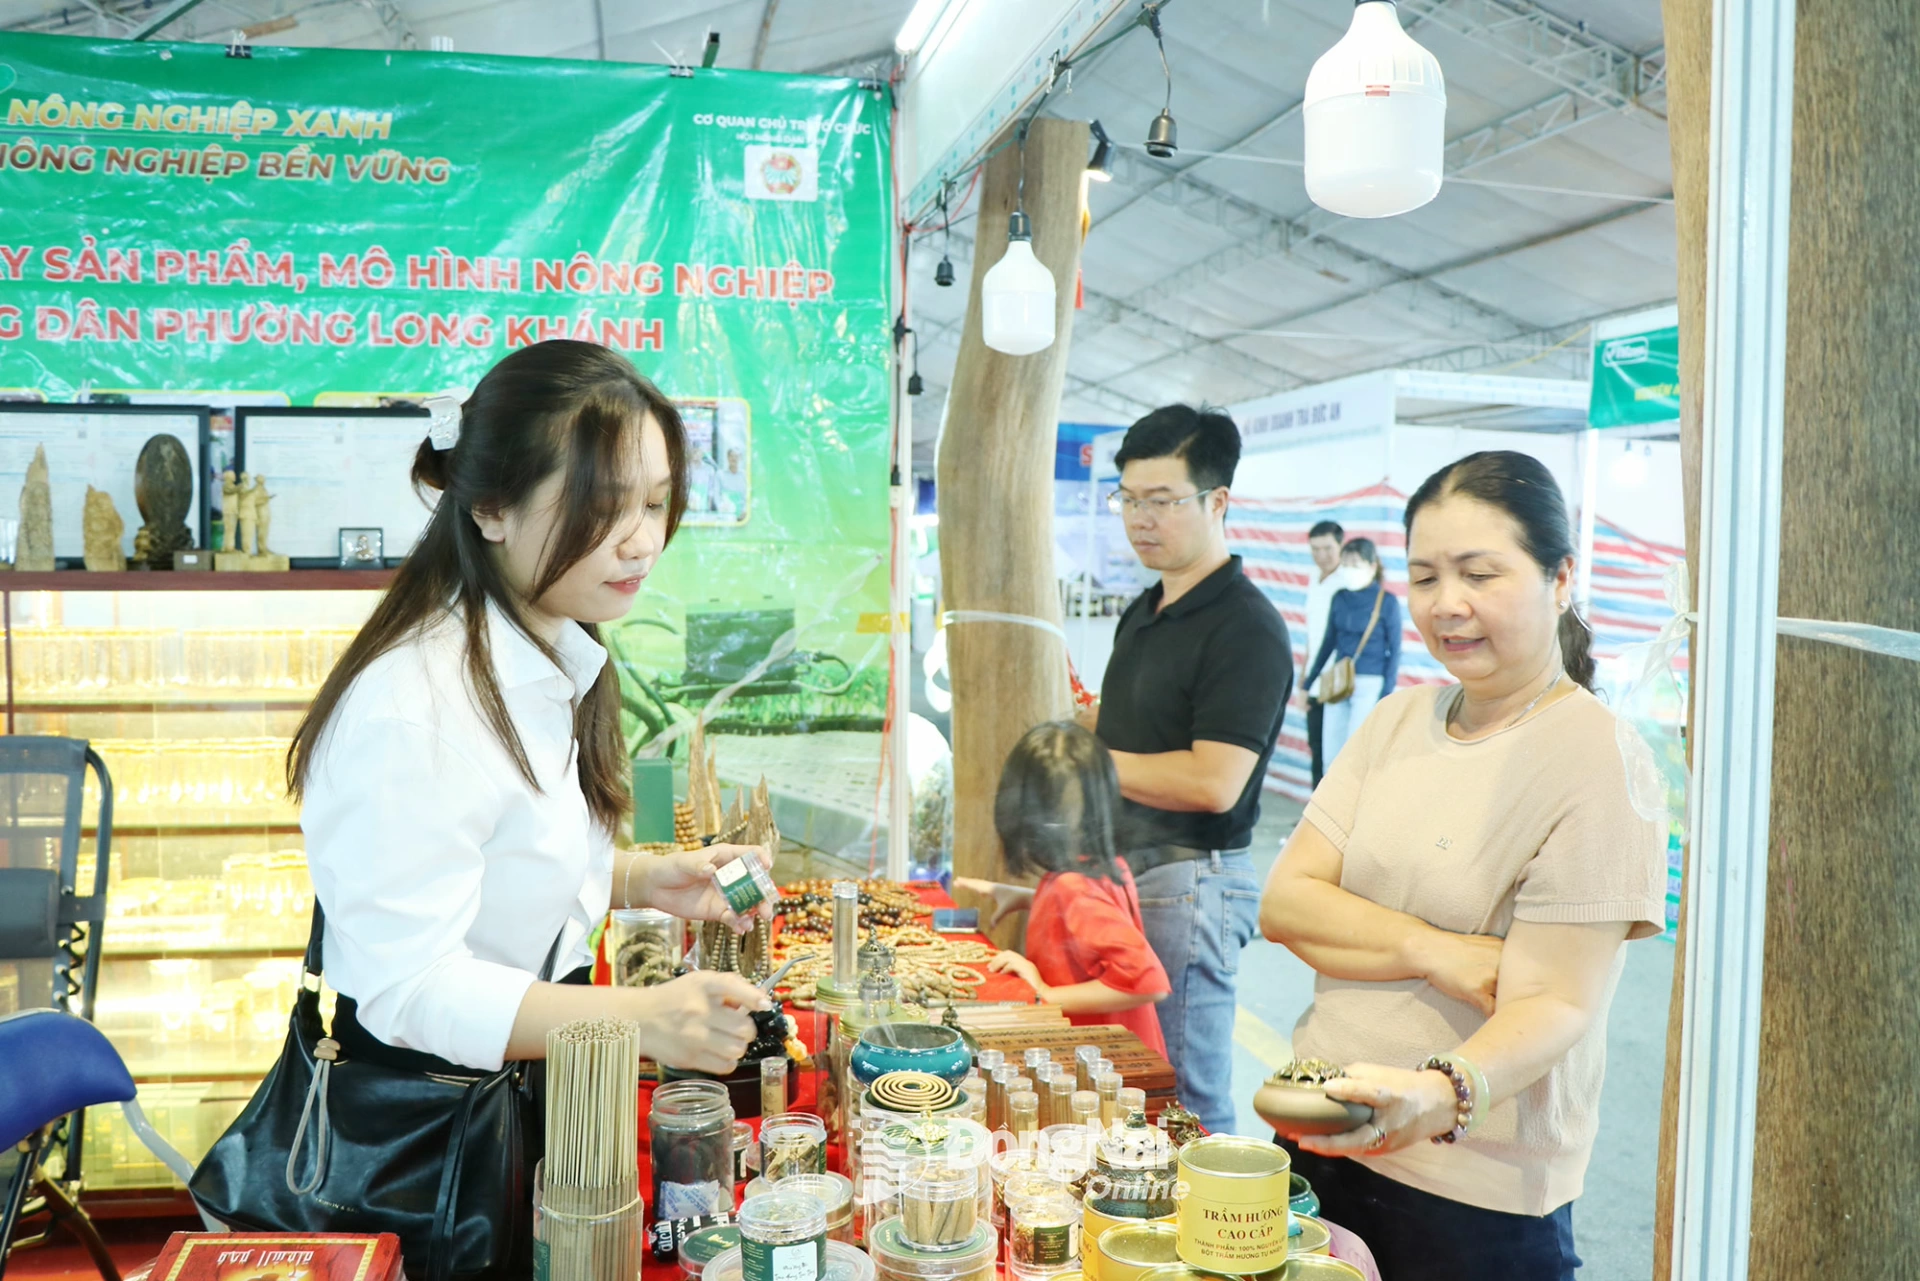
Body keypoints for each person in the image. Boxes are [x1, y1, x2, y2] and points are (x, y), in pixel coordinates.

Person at [288, 341, 773, 1093]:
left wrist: (644, 878)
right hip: (429, 1138)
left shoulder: (548, 655)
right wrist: (641, 1017)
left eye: (653, 501)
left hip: (519, 1100)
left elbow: (502, 859)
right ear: (491, 509)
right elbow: (411, 989)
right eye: (602, 506)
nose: (642, 539)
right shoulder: (413, 708)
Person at [1258, 451, 1668, 1281]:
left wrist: (1439, 1094)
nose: (1449, 605)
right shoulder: (1398, 718)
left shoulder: (1595, 756)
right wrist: (1437, 949)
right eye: (1425, 576)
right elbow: (1287, 903)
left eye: (1480, 573)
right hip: (1316, 1142)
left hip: (1470, 1194)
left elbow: (1552, 1000)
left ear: (1561, 576)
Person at [1088, 403, 1292, 1133]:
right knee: (1132, 1077)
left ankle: (1219, 1240)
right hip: (1132, 874)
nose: (1141, 518)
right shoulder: (1145, 609)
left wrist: (1092, 760)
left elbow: (1214, 781)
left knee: (1186, 1092)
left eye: (1162, 500)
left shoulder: (1246, 625)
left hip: (1192, 881)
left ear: (1218, 501)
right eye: (1129, 499)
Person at [971, 723, 1171, 1054]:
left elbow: (1147, 982)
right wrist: (1025, 898)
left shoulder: (1073, 887)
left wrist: (1046, 993)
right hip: (1114, 1056)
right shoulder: (1100, 865)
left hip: (1105, 1068)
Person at [1303, 538, 1401, 767]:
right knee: (1331, 751)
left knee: (1357, 753)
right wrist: (1308, 684)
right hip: (1339, 680)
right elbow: (1328, 643)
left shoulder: (1386, 601)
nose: (1348, 570)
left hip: (1369, 683)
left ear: (1371, 566)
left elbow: (1394, 651)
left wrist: (1385, 694)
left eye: (1355, 564)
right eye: (1345, 564)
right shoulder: (1340, 597)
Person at [1302, 519, 1346, 786]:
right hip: (1314, 681)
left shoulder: (1348, 582)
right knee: (1315, 746)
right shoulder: (1313, 579)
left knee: (1337, 754)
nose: (1321, 556)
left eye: (1327, 548)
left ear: (1341, 545)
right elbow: (1312, 636)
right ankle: (1313, 819)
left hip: (1340, 682)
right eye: (1315, 549)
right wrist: (1303, 682)